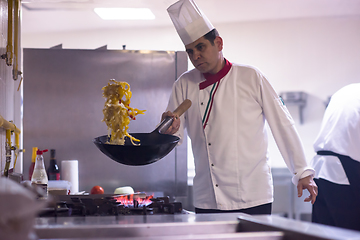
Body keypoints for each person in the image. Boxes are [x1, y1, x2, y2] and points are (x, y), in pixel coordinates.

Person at [163, 0, 317, 214]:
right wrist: (169, 129)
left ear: (219, 43)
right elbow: (175, 138)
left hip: (253, 195)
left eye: (201, 47)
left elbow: (282, 124)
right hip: (208, 197)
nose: (195, 56)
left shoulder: (250, 77)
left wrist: (302, 172)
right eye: (190, 51)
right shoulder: (183, 84)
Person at [310, 83, 360, 231]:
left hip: (320, 168)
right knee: (350, 233)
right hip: (345, 170)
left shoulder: (347, 90)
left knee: (324, 232)